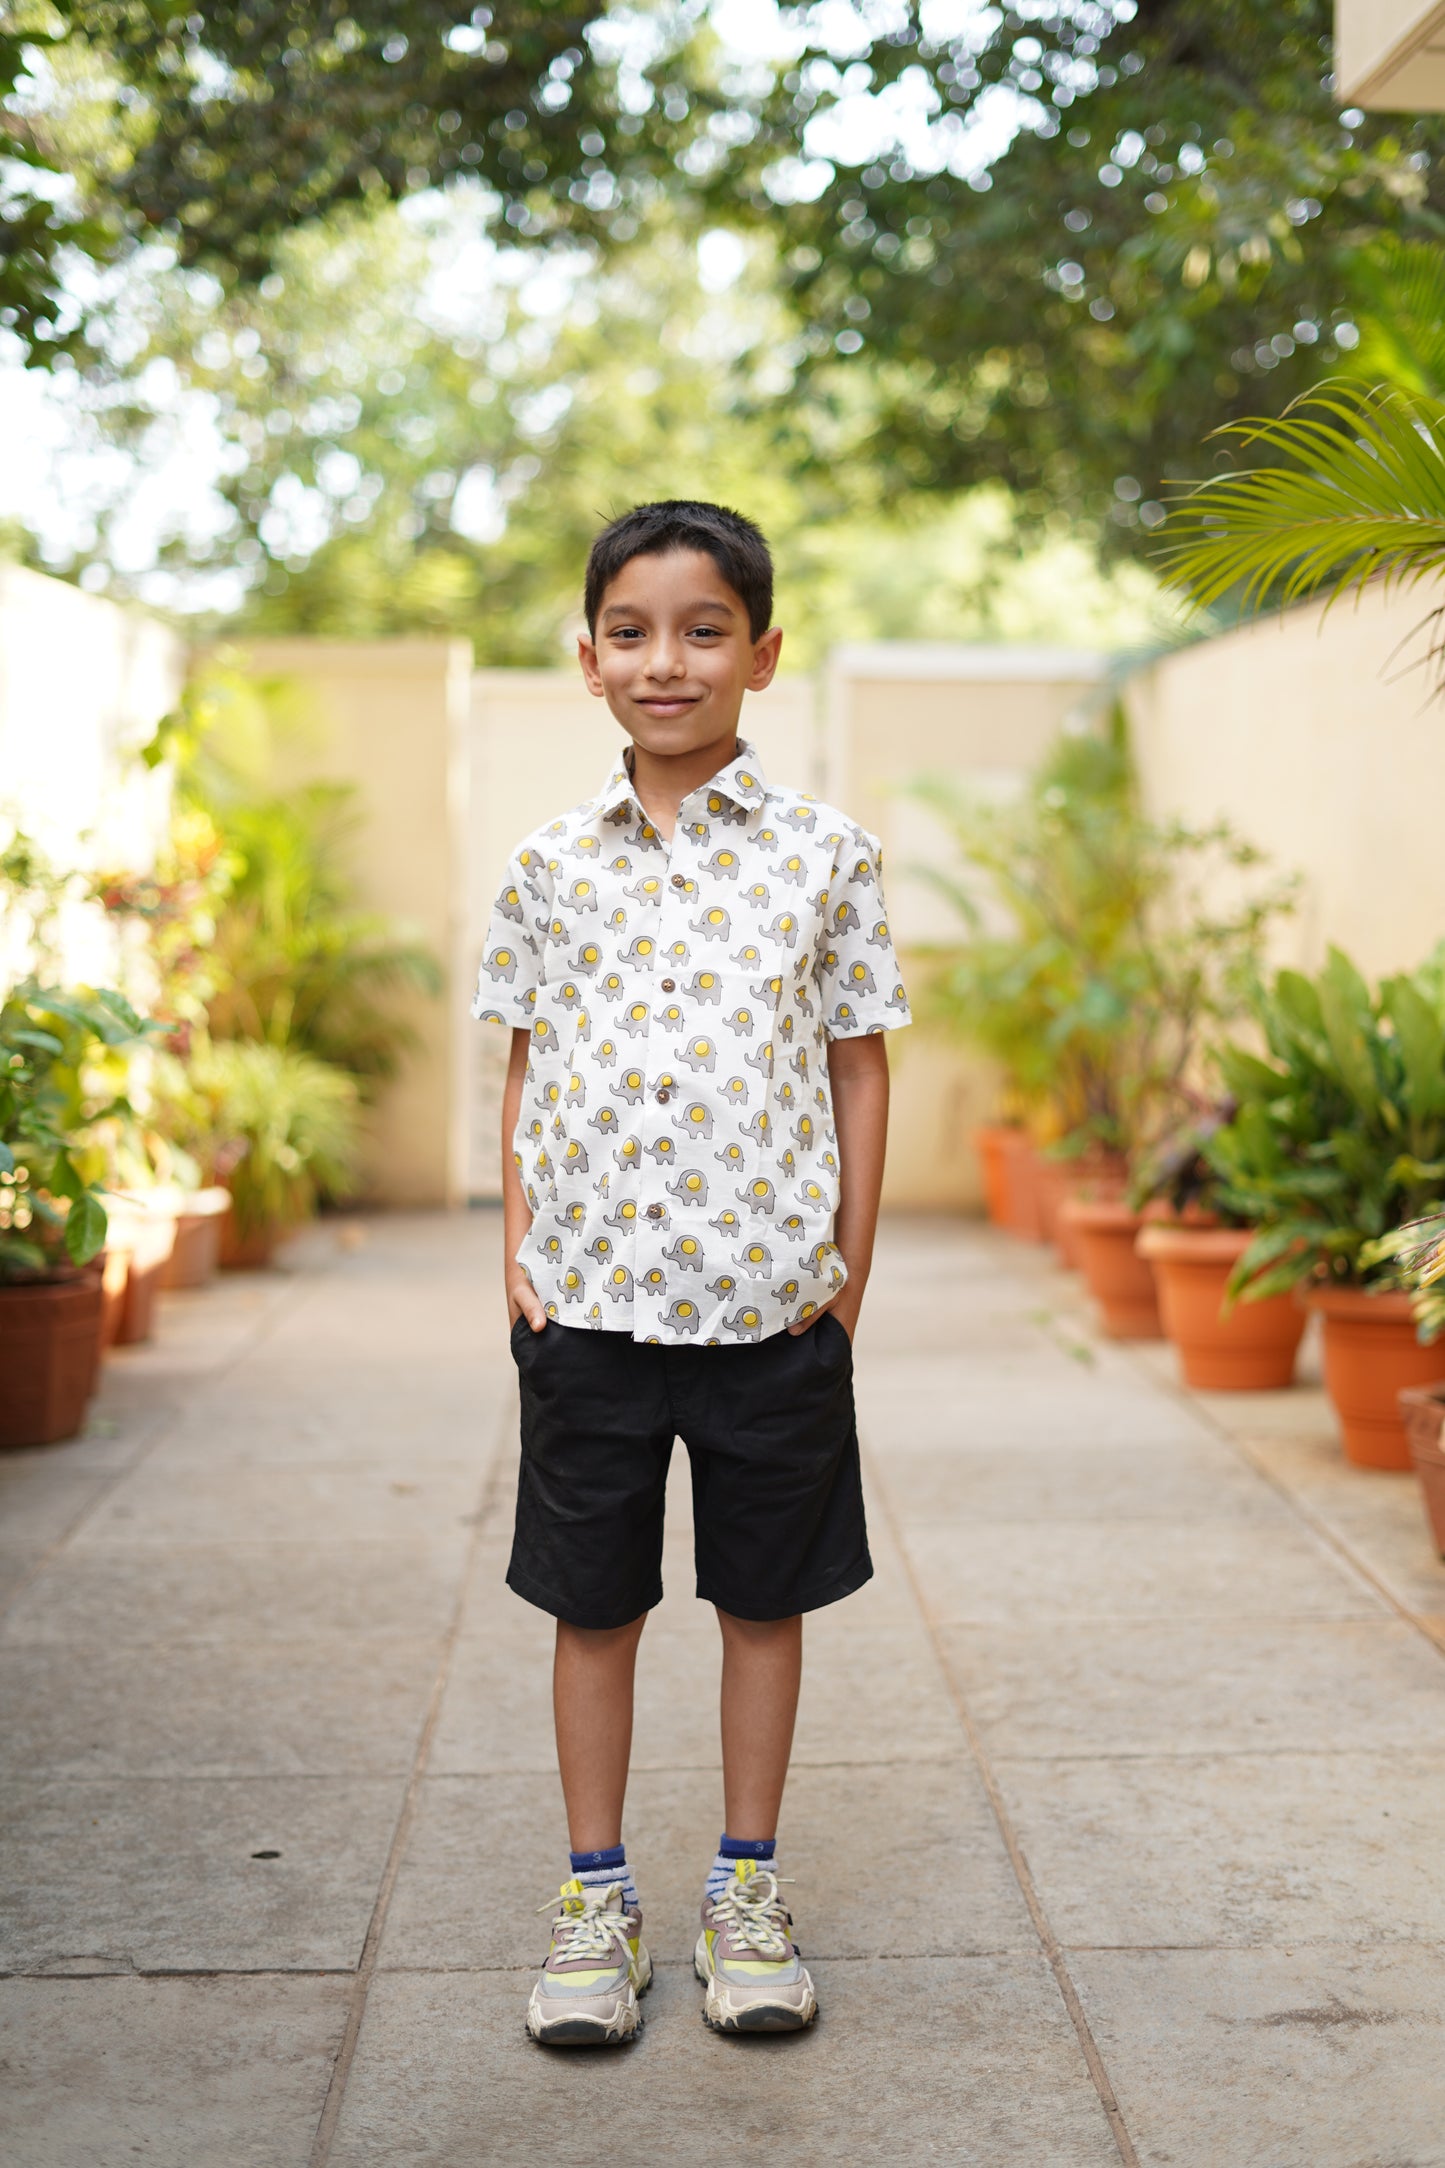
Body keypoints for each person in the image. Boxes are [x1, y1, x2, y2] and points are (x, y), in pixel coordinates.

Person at [473, 499, 911, 2045]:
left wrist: (845, 1274)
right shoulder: (543, 867)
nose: (669, 660)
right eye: (635, 632)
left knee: (760, 1604)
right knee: (590, 1609)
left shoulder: (825, 860)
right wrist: (520, 1250)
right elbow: (523, 1067)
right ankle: (595, 1901)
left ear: (762, 655)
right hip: (586, 1309)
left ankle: (745, 1892)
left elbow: (858, 1067)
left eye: (704, 629)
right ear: (589, 660)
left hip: (770, 1316)